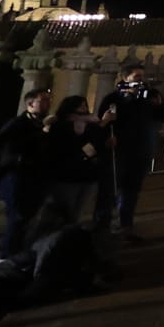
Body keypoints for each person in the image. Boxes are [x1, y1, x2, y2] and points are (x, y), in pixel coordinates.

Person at [96, 64, 164, 238]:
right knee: (111, 190)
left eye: (142, 76)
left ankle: (125, 225)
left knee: (132, 190)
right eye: (137, 76)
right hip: (119, 151)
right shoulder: (113, 98)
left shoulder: (149, 97)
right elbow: (104, 120)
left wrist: (159, 106)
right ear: (125, 78)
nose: (141, 80)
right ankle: (102, 226)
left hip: (141, 150)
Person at [0, 88, 51, 259]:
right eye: (43, 100)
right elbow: (9, 148)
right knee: (17, 217)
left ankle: (18, 251)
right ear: (30, 104)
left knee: (28, 217)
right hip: (18, 176)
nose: (48, 104)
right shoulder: (17, 124)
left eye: (49, 100)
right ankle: (5, 254)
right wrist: (42, 134)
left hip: (36, 176)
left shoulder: (41, 124)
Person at [42, 96, 109, 228]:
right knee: (65, 210)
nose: (84, 108)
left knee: (78, 211)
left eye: (85, 105)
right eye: (80, 105)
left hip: (88, 174)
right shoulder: (60, 125)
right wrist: (87, 151)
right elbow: (67, 147)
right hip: (68, 175)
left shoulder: (92, 124)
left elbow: (98, 143)